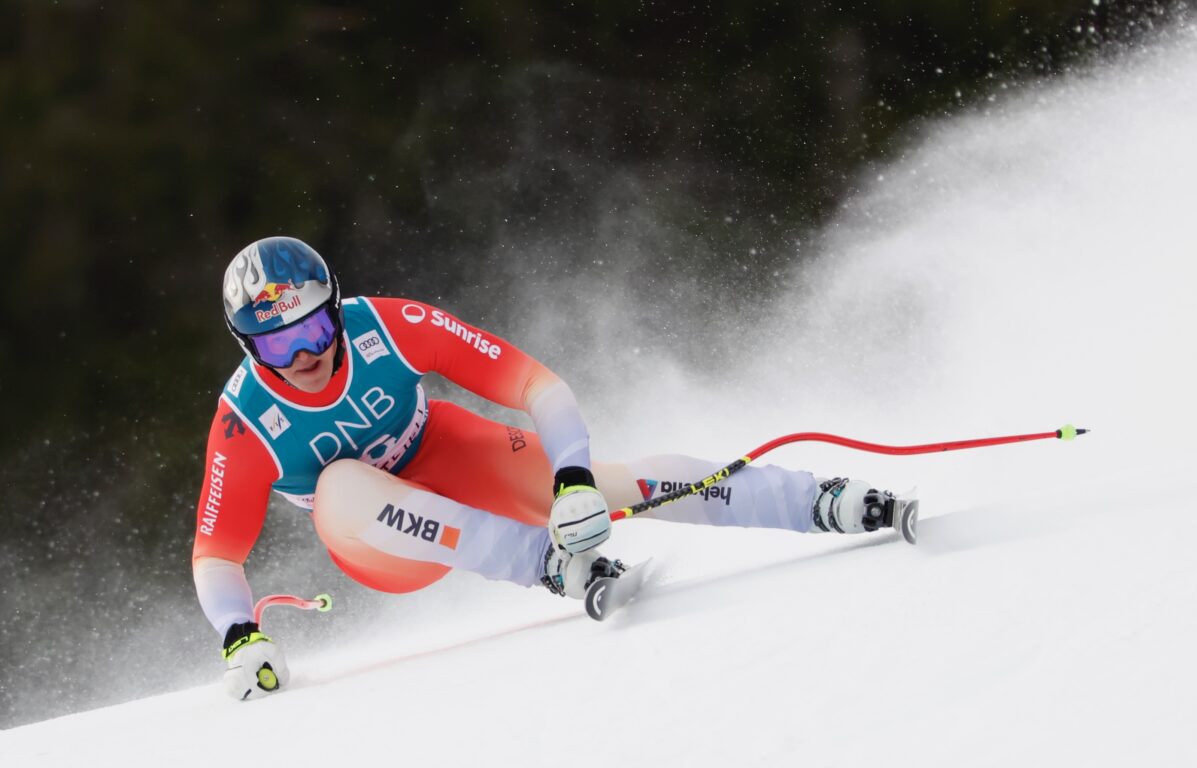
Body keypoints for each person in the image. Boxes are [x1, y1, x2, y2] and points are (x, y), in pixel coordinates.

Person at [194, 236, 917, 701]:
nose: (307, 357)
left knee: (609, 485)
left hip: (449, 453)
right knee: (339, 487)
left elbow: (536, 385)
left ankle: (821, 500)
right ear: (247, 349)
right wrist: (240, 634)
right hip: (383, 541)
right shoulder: (243, 422)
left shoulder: (390, 324)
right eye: (278, 346)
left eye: (317, 328)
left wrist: (570, 477)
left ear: (339, 308)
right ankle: (546, 563)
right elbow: (216, 553)